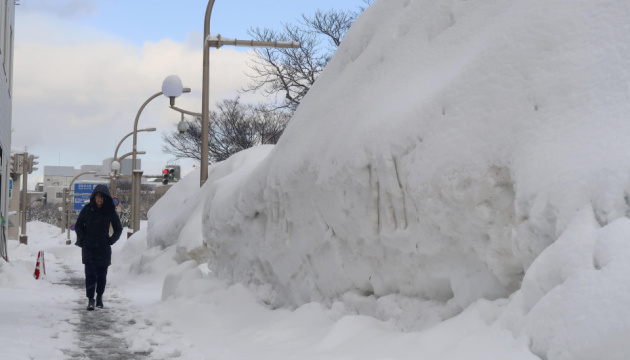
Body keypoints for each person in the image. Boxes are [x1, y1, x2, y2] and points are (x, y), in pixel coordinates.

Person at [75, 184, 122, 311]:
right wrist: (83, 239)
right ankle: (90, 299)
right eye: (97, 196)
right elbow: (78, 225)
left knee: (102, 275)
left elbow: (118, 229)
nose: (99, 199)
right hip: (89, 247)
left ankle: (99, 297)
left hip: (103, 248)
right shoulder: (87, 209)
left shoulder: (110, 211)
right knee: (90, 274)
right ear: (94, 197)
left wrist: (111, 241)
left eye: (102, 197)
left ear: (105, 198)